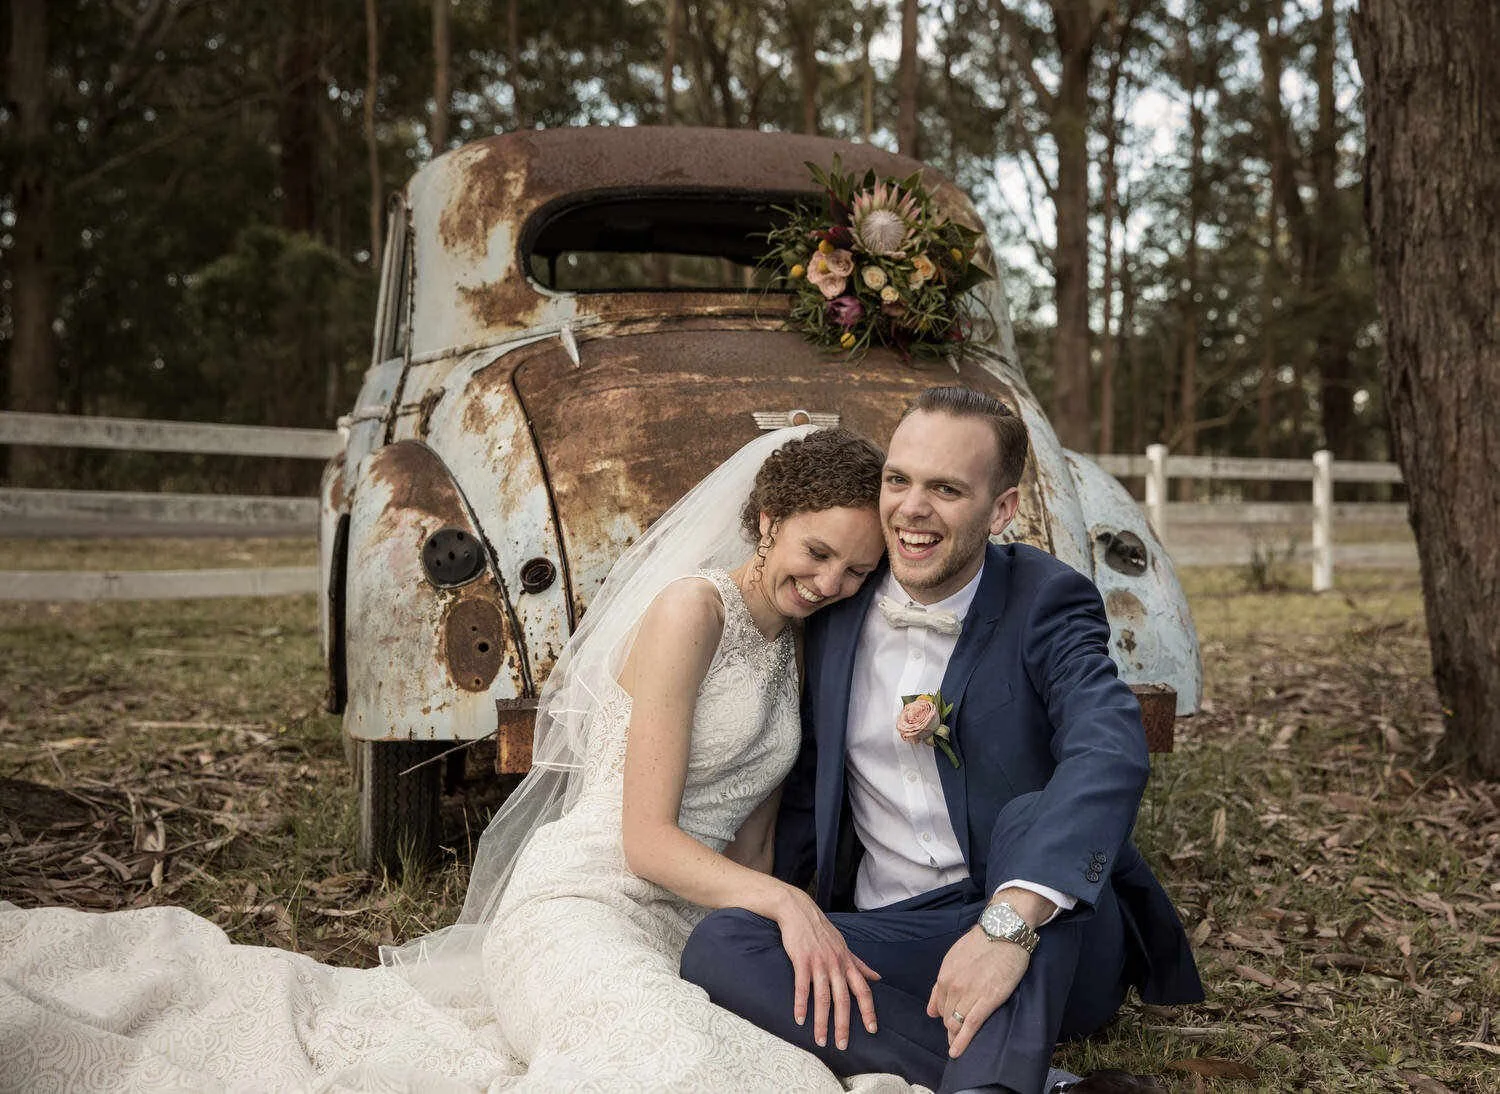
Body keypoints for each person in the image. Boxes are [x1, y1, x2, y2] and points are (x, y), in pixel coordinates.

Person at [0, 426, 921, 1092]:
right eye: (817, 551)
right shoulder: (695, 611)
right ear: (766, 520)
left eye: (856, 568)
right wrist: (788, 904)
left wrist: (757, 938)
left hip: (695, 927)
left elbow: (751, 833)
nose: (833, 582)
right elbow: (647, 840)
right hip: (586, 904)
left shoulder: (798, 640)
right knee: (676, 1066)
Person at [680, 388, 1205, 1094]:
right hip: (898, 933)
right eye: (898, 481)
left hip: (1049, 938)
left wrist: (1006, 927)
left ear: (1003, 509)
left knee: (1028, 812)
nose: (912, 509)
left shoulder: (1047, 599)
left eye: (947, 489)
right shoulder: (836, 598)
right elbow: (802, 786)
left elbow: (1109, 746)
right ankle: (1043, 1084)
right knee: (723, 946)